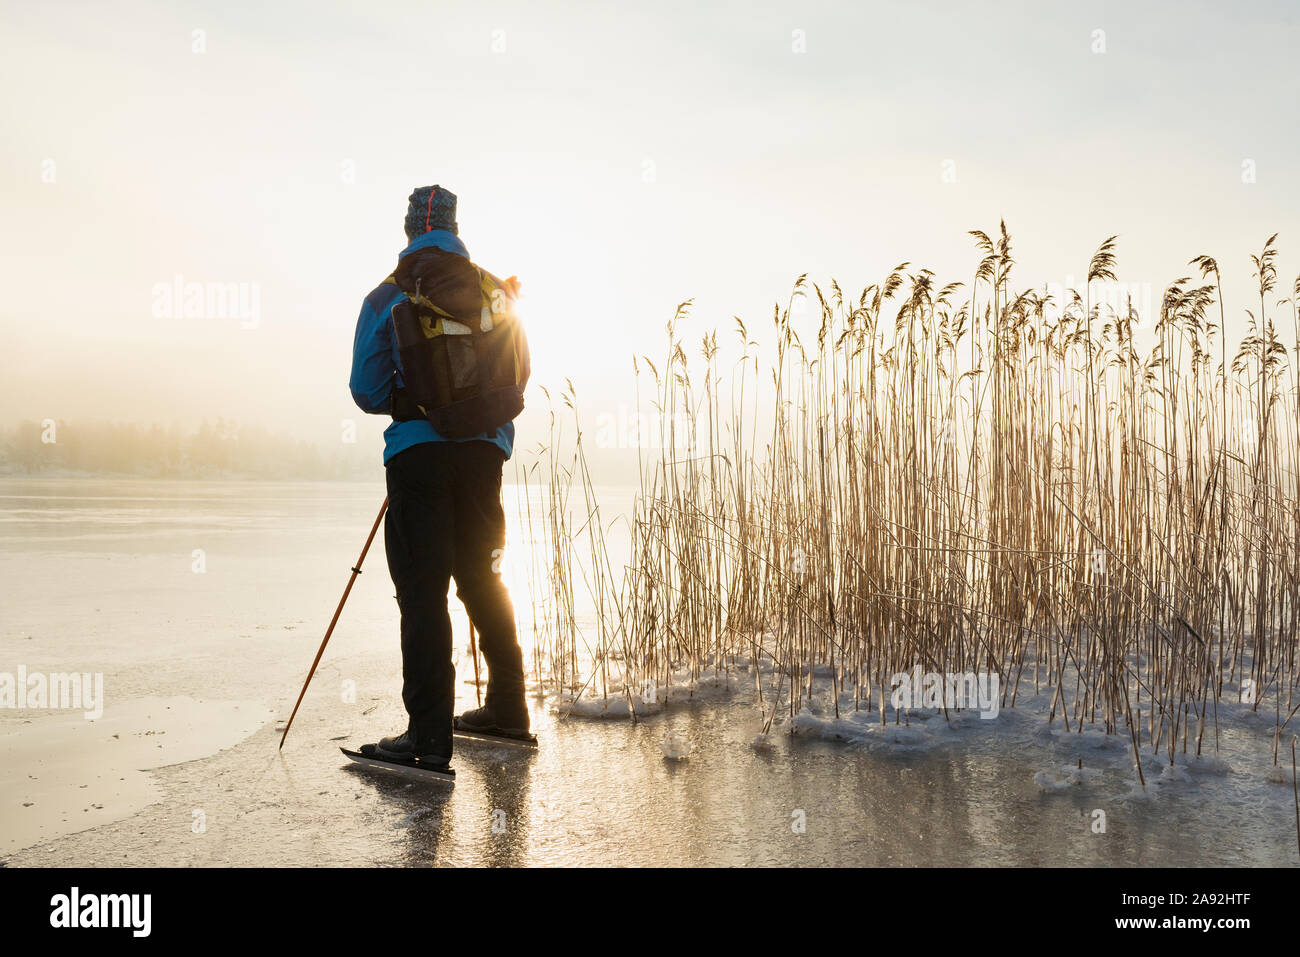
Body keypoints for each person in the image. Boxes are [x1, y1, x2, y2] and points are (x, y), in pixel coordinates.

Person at [348, 184, 529, 769]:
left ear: (409, 231)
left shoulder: (388, 295)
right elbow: (518, 375)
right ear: (456, 227)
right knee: (482, 578)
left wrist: (418, 406)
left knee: (422, 592)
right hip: (483, 458)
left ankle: (428, 739)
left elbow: (366, 389)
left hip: (418, 457)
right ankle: (507, 710)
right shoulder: (495, 292)